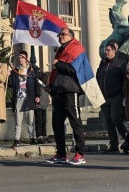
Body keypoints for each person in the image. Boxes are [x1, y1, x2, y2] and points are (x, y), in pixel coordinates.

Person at [45, 28, 87, 166]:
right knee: (56, 123)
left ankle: (80, 154)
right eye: (59, 34)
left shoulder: (77, 48)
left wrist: (59, 63)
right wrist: (50, 86)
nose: (60, 36)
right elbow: (55, 72)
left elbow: (73, 70)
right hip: (59, 90)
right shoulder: (60, 51)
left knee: (75, 120)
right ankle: (61, 154)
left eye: (63, 34)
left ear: (71, 36)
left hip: (71, 89)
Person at [96, 40, 129, 152]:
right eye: (105, 50)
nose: (106, 52)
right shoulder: (102, 64)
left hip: (116, 96)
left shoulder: (120, 64)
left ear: (114, 51)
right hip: (104, 97)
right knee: (108, 121)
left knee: (116, 118)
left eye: (108, 50)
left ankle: (127, 139)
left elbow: (126, 79)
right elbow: (98, 78)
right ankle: (114, 145)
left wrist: (124, 93)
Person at [9, 51, 39, 147]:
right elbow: (11, 84)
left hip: (29, 97)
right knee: (18, 121)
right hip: (19, 97)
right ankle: (17, 139)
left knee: (30, 120)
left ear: (26, 58)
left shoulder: (31, 70)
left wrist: (37, 96)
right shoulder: (15, 71)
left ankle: (33, 138)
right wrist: (10, 74)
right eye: (19, 57)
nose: (20, 59)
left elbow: (36, 83)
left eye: (22, 57)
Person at [34, 70, 51, 144]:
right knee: (39, 121)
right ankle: (39, 136)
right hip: (39, 105)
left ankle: (44, 135)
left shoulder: (45, 85)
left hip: (44, 104)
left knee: (44, 121)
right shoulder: (39, 83)